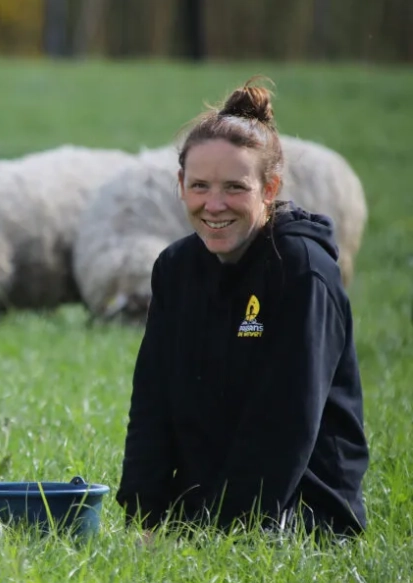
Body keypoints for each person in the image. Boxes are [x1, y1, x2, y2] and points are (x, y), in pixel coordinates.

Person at [115, 78, 369, 538]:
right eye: (199, 186)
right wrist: (144, 517)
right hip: (199, 509)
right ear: (180, 185)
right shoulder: (175, 268)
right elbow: (152, 398)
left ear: (269, 188)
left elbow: (287, 421)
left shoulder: (302, 272)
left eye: (235, 187)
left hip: (302, 516)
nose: (214, 205)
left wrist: (227, 533)